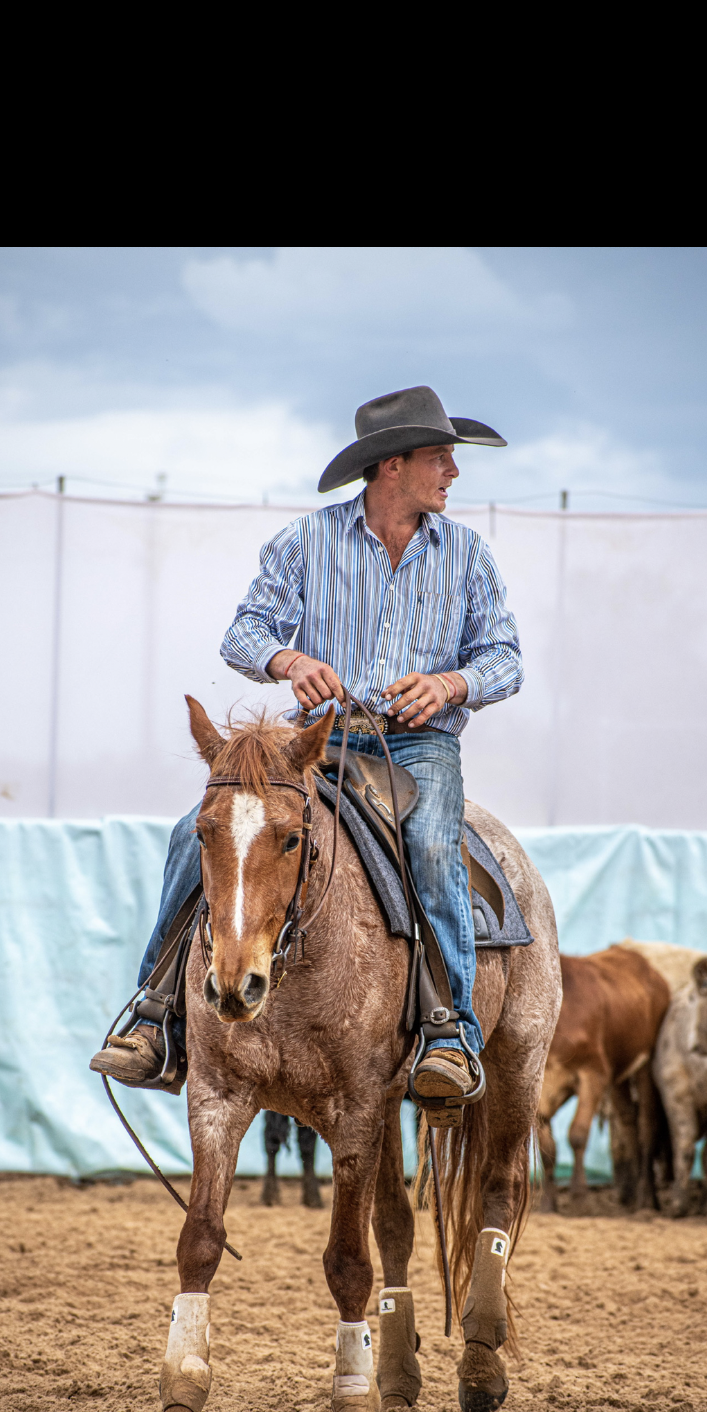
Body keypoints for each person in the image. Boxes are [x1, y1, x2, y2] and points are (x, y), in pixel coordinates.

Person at [91, 385, 522, 1100]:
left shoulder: (467, 554)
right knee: (197, 834)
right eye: (440, 457)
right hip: (314, 747)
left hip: (420, 746)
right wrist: (288, 662)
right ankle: (155, 1014)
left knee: (432, 847)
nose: (453, 471)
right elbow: (245, 633)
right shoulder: (305, 541)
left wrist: (450, 684)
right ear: (392, 465)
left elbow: (504, 659)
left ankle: (449, 1033)